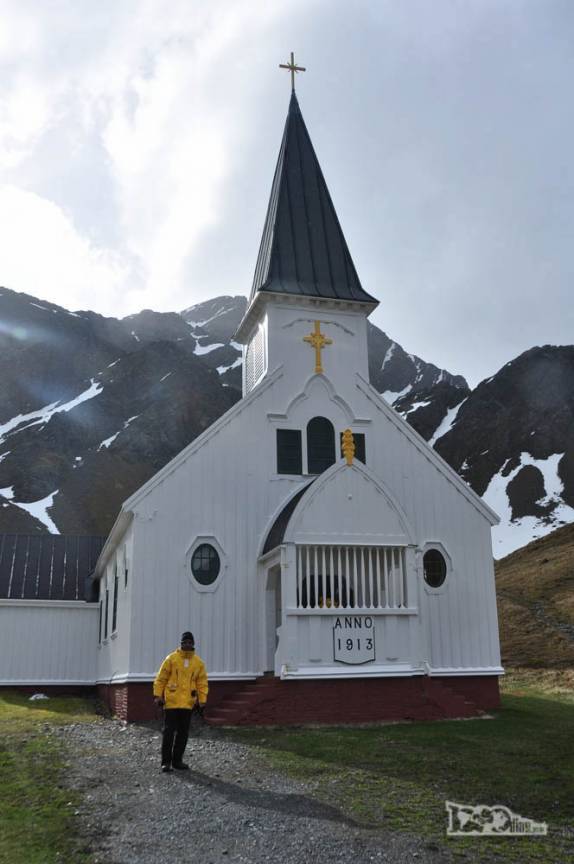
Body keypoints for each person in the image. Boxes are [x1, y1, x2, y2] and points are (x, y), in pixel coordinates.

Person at [153, 631, 208, 773]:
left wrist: (202, 700)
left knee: (183, 733)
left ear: (193, 644)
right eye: (185, 642)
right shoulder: (171, 659)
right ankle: (166, 762)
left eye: (190, 642)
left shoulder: (198, 663)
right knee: (168, 732)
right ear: (181, 643)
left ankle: (177, 761)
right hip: (171, 703)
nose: (187, 644)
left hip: (188, 704)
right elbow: (161, 678)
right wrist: (158, 695)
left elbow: (202, 683)